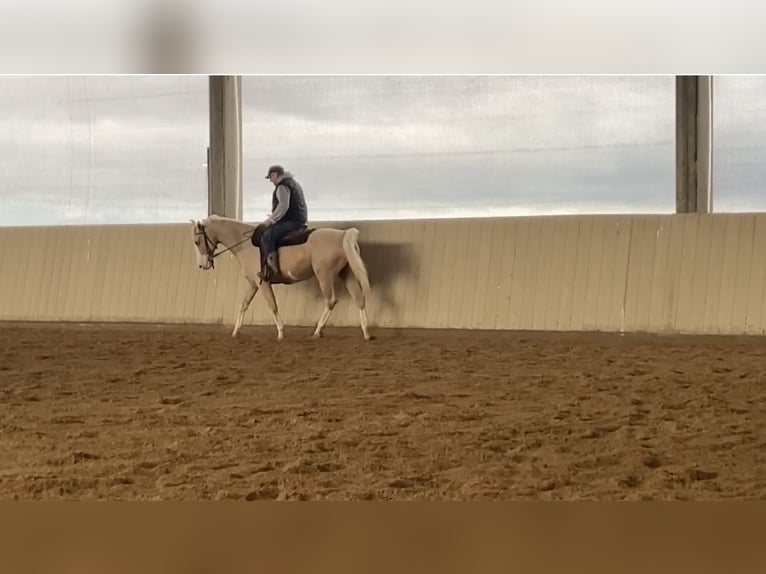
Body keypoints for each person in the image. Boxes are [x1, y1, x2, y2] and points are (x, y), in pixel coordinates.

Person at [259, 165, 309, 280]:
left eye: (270, 177)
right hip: (299, 218)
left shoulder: (282, 186)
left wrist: (271, 220)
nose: (270, 180)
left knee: (267, 236)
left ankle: (274, 270)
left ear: (275, 175)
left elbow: (283, 206)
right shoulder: (294, 183)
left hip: (292, 220)